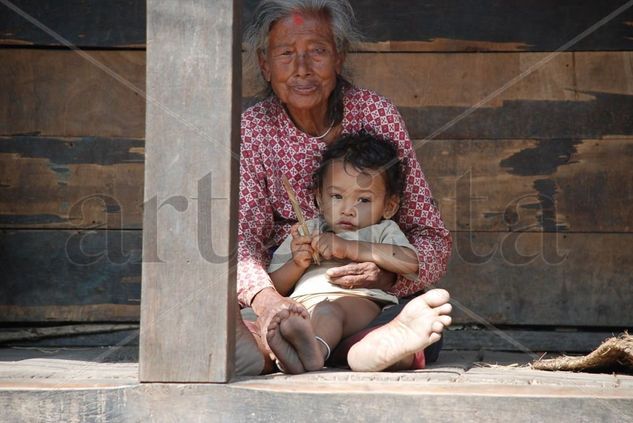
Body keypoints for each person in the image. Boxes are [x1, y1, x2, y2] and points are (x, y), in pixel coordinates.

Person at [235, 0, 452, 375]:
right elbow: (242, 245)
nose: (302, 69)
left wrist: (386, 274)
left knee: (410, 320)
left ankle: (286, 351)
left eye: (317, 51)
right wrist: (269, 300)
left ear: (339, 57)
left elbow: (431, 239)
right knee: (254, 317)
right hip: (288, 301)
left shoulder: (375, 114)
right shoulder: (253, 129)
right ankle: (271, 341)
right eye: (286, 53)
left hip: (366, 304)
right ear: (264, 65)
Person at [265, 134, 452, 373]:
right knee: (281, 320)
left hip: (358, 306)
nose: (348, 210)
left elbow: (410, 261)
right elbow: (275, 286)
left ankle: (313, 354)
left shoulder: (382, 231)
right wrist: (297, 264)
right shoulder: (307, 231)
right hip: (302, 309)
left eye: (363, 200)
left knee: (329, 309)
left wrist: (350, 248)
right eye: (336, 197)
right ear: (319, 199)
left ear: (389, 207)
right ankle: (372, 354)